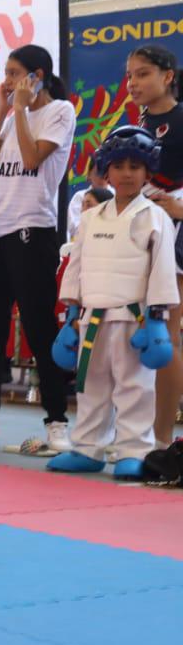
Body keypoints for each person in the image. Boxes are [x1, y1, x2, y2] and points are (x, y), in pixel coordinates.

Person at [0, 44, 77, 452]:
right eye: (5, 73)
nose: (7, 80)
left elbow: (31, 160)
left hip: (34, 230)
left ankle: (57, 420)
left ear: (36, 76)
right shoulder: (11, 117)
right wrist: (2, 109)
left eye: (14, 73)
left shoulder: (60, 112)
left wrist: (22, 110)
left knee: (41, 328)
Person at [48, 125, 178, 480]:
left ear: (148, 172)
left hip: (134, 320)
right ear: (105, 169)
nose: (126, 174)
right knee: (90, 385)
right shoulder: (90, 219)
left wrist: (157, 321)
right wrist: (71, 315)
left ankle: (133, 450)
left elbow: (163, 271)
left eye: (135, 167)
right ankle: (88, 448)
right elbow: (76, 268)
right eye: (118, 166)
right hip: (91, 319)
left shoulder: (155, 218)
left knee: (134, 387)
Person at [125, 43, 183, 447]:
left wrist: (179, 208)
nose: (133, 83)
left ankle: (162, 438)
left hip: (177, 238)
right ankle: (138, 433)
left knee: (168, 335)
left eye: (142, 74)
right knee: (138, 332)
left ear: (168, 77)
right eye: (129, 76)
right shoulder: (137, 122)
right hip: (141, 235)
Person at [68, 166, 109, 243]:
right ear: (89, 175)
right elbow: (74, 227)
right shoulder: (80, 196)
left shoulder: (117, 196)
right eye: (98, 173)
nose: (102, 176)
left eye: (105, 172)